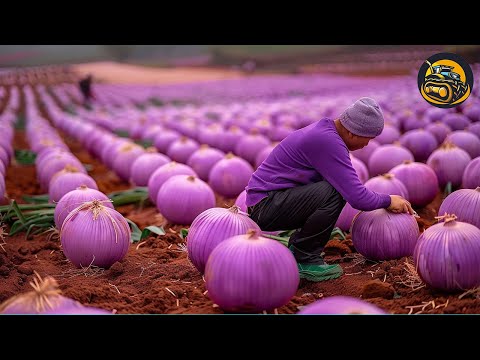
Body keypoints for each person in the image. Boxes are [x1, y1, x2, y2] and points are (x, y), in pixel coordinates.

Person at [245, 97, 414, 282]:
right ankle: (304, 257)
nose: (367, 145)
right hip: (265, 206)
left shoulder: (326, 131)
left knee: (333, 188)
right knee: (334, 192)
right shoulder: (328, 141)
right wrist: (389, 200)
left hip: (271, 201)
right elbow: (358, 198)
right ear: (353, 133)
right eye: (368, 139)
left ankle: (300, 247)